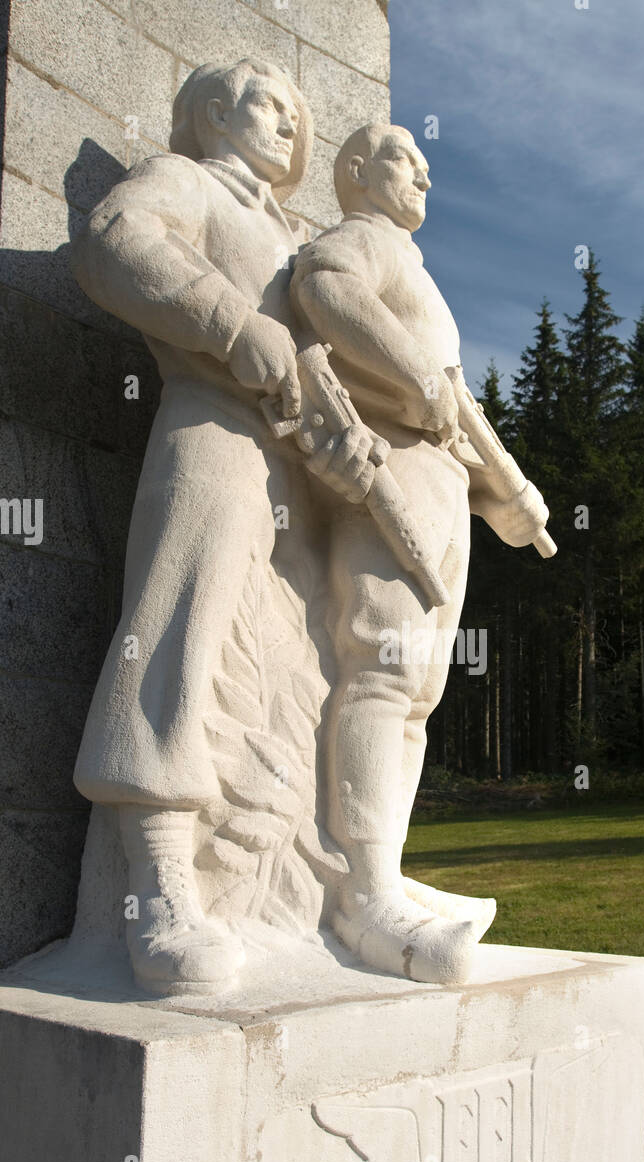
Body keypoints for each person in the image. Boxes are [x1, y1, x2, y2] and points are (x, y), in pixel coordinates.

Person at [71, 60, 377, 994]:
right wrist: (229, 322)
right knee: (178, 635)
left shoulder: (297, 239)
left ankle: (293, 886)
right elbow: (113, 240)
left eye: (297, 112)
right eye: (266, 105)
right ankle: (159, 879)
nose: (288, 125)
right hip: (213, 429)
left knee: (299, 676)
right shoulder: (189, 180)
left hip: (298, 484)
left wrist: (346, 446)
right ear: (210, 114)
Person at [290, 124, 550, 984]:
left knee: (419, 693)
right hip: (392, 466)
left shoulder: (418, 271)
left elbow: (453, 406)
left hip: (441, 480)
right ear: (358, 172)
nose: (426, 171)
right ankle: (362, 895)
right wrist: (422, 379)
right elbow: (326, 292)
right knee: (382, 669)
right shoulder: (361, 240)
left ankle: (382, 871)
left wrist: (505, 491)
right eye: (406, 157)